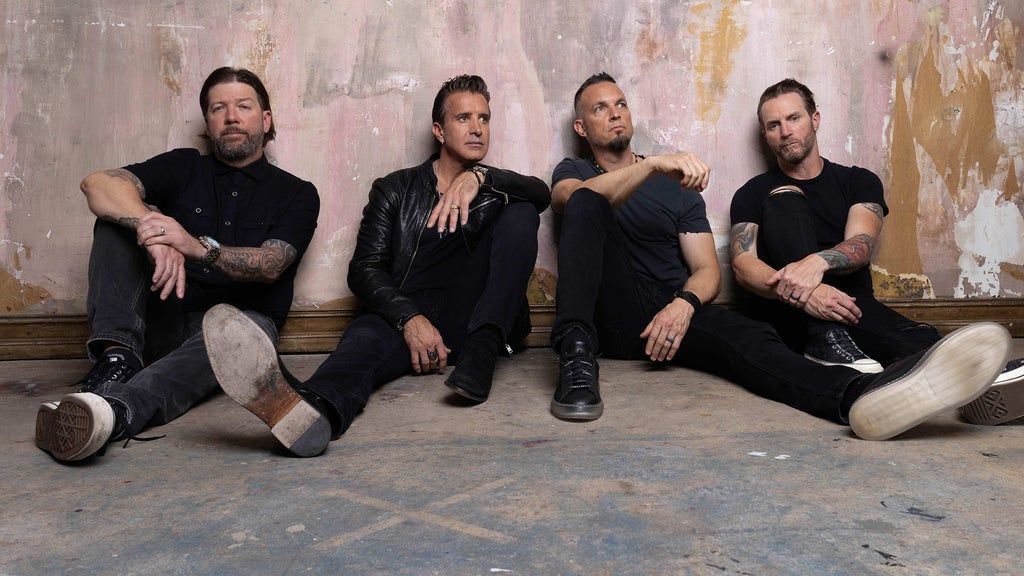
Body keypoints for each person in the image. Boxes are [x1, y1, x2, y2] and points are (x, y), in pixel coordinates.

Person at [549, 72, 1011, 440]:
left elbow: (707, 270)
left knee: (750, 338)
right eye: (600, 108)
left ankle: (859, 394)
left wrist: (684, 304)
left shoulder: (678, 187)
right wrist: (651, 164)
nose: (615, 113)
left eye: (621, 103)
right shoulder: (577, 171)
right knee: (589, 200)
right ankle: (575, 353)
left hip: (672, 311)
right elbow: (570, 201)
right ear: (581, 127)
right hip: (614, 313)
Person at [202, 74, 549, 456]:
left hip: (470, 319)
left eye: (484, 118)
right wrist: (409, 318)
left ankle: (483, 350)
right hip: (401, 312)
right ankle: (310, 411)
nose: (477, 128)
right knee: (359, 350)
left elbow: (541, 194)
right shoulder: (395, 189)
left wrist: (480, 177)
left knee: (522, 213)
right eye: (463, 118)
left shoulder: (499, 191)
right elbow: (364, 269)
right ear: (439, 130)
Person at [34, 67, 320, 462]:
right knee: (116, 221)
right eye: (218, 108)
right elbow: (97, 184)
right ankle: (117, 360)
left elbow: (270, 264)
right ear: (208, 122)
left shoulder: (297, 193)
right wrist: (152, 232)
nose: (231, 117)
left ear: (265, 120)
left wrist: (193, 246)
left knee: (234, 335)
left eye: (243, 107)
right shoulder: (185, 166)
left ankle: (112, 411)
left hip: (244, 328)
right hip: (165, 318)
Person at [730, 78, 1024, 425]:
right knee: (784, 197)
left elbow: (861, 244)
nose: (785, 131)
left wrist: (817, 263)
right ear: (765, 135)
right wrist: (804, 293)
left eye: (794, 118)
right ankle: (824, 339)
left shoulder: (857, 180)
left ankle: (973, 378)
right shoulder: (751, 193)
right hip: (788, 313)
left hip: (852, 306)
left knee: (903, 335)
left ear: (815, 119)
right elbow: (743, 265)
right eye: (773, 125)